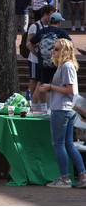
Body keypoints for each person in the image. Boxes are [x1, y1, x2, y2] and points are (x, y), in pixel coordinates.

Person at [39, 39, 86, 188]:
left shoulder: (66, 66)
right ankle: (82, 176)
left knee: (59, 144)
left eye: (57, 49)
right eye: (53, 48)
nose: (53, 51)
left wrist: (50, 87)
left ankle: (65, 178)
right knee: (68, 144)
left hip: (62, 109)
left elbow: (70, 90)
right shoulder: (64, 66)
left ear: (65, 51)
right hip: (66, 109)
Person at [28, 12, 72, 112]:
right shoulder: (61, 32)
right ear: (59, 22)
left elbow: (29, 44)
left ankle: (33, 107)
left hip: (43, 63)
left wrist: (36, 54)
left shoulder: (43, 31)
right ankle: (51, 109)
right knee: (58, 85)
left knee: (40, 85)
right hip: (57, 63)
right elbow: (71, 44)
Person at [26, 5, 56, 112]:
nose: (53, 17)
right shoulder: (35, 26)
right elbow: (28, 44)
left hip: (44, 61)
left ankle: (43, 107)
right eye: (52, 15)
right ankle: (28, 105)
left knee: (42, 83)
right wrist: (37, 54)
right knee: (33, 83)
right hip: (35, 60)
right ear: (46, 14)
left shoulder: (49, 27)